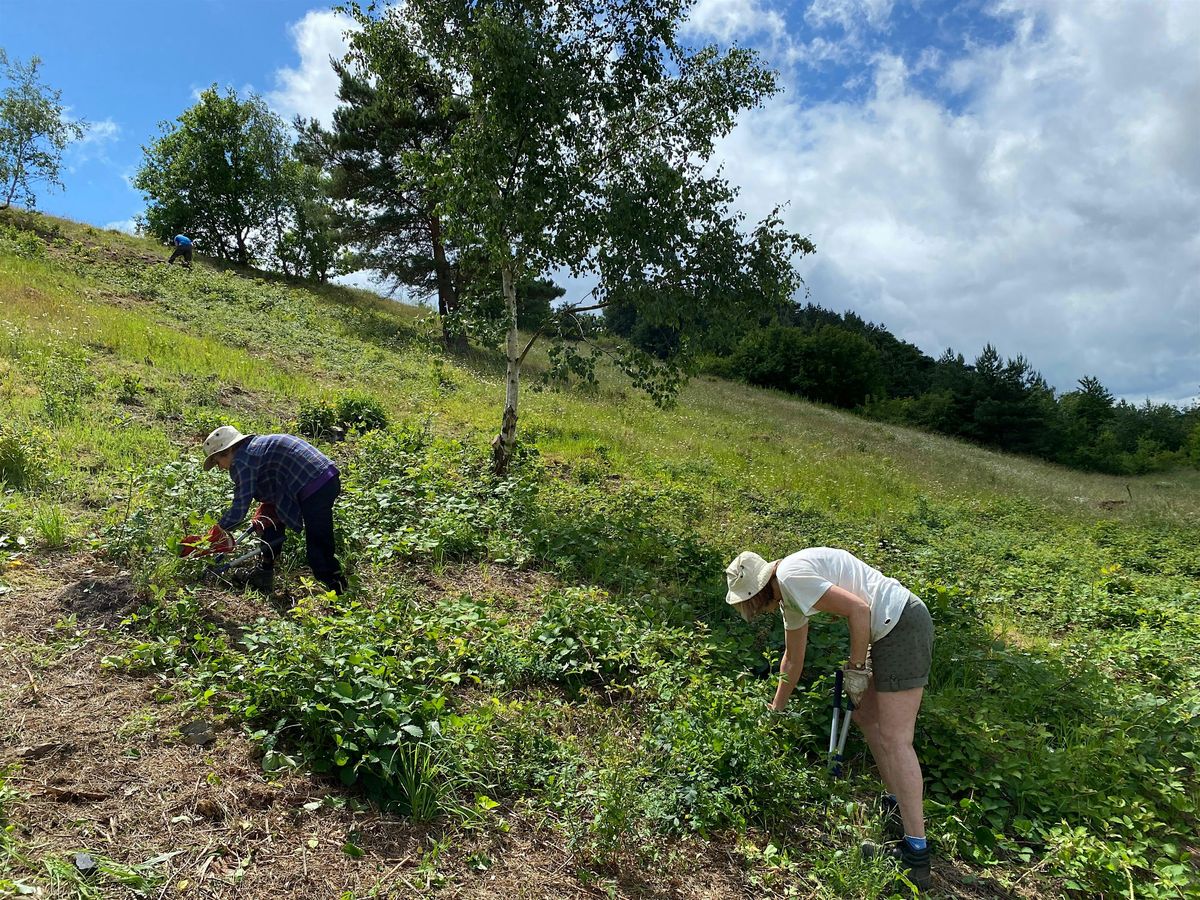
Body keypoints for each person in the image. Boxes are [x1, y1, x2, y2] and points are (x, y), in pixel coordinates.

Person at [725, 547, 934, 891]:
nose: (754, 611)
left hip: (901, 625)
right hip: (886, 629)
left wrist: (856, 668)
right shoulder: (789, 593)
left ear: (758, 592)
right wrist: (774, 712)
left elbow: (859, 608)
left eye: (749, 603)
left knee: (897, 738)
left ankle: (916, 855)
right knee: (867, 717)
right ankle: (897, 806)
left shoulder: (792, 576)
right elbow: (792, 661)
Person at [197, 426, 348, 595]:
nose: (220, 467)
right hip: (321, 478)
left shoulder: (242, 461)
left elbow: (239, 511)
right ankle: (264, 571)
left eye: (217, 462)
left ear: (227, 451)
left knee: (318, 549)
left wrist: (215, 534)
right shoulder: (254, 447)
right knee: (269, 518)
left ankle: (338, 591)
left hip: (315, 484)